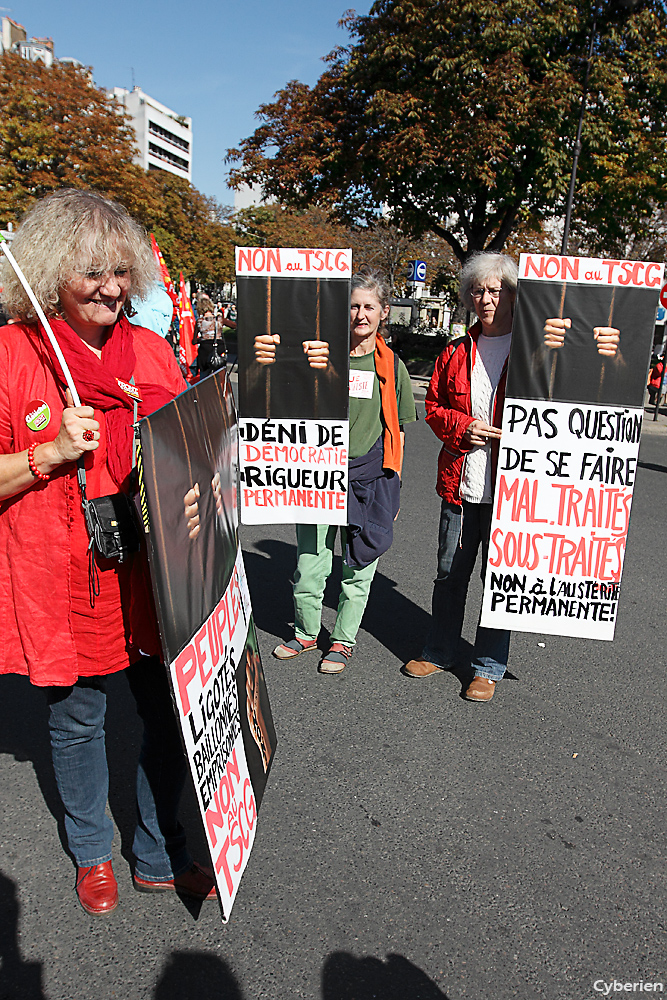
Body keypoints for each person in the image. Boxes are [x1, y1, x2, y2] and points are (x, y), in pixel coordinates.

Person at [0, 189, 216, 915]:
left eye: (121, 271)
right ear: (51, 268)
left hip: (155, 575)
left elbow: (191, 452)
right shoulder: (11, 354)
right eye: (92, 272)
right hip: (63, 575)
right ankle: (93, 852)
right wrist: (50, 451)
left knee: (167, 716)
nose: (112, 288)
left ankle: (162, 849)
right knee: (77, 719)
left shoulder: (152, 351)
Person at [272, 269, 416, 673]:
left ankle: (344, 640)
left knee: (359, 565)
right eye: (353, 306)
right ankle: (305, 633)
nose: (360, 315)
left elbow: (399, 432)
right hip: (319, 474)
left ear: (384, 312)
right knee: (310, 562)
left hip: (370, 478)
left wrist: (396, 487)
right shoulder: (319, 357)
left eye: (369, 306)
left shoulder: (393, 368)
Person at [404, 252, 517, 702]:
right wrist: (462, 428)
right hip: (461, 481)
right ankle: (440, 650)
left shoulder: (533, 353)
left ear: (511, 294)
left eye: (494, 290)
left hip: (514, 490)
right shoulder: (455, 350)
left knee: (503, 582)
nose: (484, 298)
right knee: (449, 573)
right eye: (477, 290)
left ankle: (488, 666)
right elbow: (433, 408)